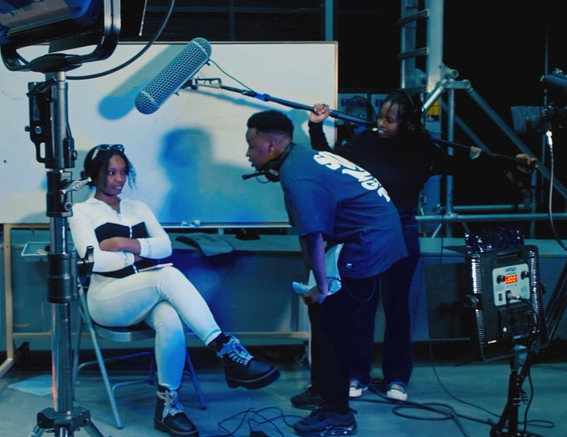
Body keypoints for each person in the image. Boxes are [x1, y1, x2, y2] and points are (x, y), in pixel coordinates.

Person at [292, 91, 537, 406]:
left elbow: (467, 166)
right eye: (380, 116)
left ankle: (397, 377)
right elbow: (329, 162)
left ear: (407, 124)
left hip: (402, 232)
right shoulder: (364, 144)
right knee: (362, 307)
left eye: (390, 119)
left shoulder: (424, 150)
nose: (381, 123)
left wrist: (511, 161)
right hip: (366, 235)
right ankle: (357, 374)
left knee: (398, 309)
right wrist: (316, 127)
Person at [68, 143, 280, 437]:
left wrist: (122, 244)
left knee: (169, 317)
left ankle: (168, 406)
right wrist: (139, 254)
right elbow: (96, 261)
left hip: (144, 292)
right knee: (167, 275)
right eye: (111, 172)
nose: (119, 179)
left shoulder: (137, 208)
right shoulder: (81, 211)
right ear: (93, 174)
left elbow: (165, 246)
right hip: (107, 299)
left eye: (123, 172)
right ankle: (226, 351)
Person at [244, 110, 407, 436]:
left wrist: (320, 286)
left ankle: (338, 413)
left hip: (368, 244)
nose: (248, 153)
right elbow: (312, 235)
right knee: (321, 313)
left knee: (334, 324)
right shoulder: (303, 157)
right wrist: (315, 285)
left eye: (251, 145)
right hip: (367, 236)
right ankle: (323, 390)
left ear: (271, 145)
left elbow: (313, 236)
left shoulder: (297, 175)